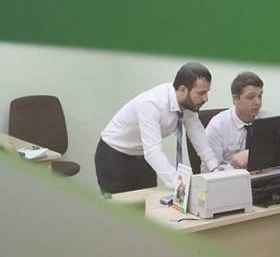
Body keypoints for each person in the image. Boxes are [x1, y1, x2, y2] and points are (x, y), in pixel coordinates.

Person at [95, 62, 221, 194]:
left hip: (142, 156)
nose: (205, 98)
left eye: (207, 92)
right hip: (114, 156)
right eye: (201, 93)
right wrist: (180, 184)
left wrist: (215, 169)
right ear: (182, 89)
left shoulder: (187, 104)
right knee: (120, 206)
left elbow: (198, 136)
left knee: (149, 203)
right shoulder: (152, 104)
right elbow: (153, 151)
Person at [205, 71, 269, 169]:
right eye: (250, 97)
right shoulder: (217, 127)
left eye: (260, 96)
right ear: (235, 98)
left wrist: (254, 155)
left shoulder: (267, 120)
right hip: (230, 177)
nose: (258, 102)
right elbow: (208, 171)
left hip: (264, 176)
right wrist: (233, 166)